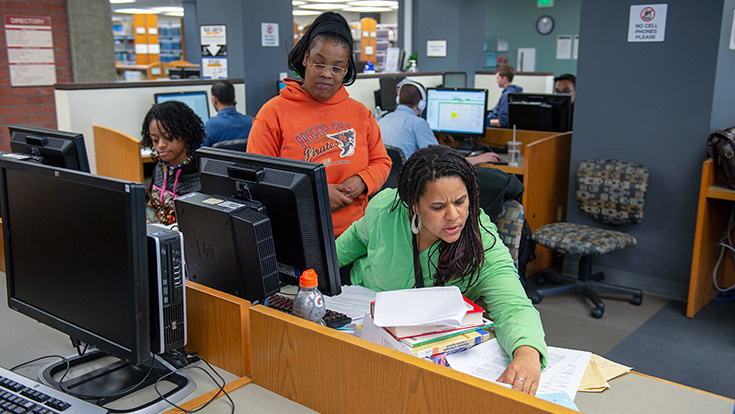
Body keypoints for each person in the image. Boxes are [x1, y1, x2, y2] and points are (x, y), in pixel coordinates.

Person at [336, 145, 547, 395]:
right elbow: (346, 247)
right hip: (358, 323)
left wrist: (527, 353)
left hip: (421, 352)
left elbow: (513, 306)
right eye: (437, 207)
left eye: (461, 201)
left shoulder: (481, 243)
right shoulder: (386, 210)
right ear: (413, 205)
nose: (454, 216)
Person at [247, 11, 391, 236]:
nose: (327, 74)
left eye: (337, 68)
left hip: (357, 236)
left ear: (346, 70)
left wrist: (363, 181)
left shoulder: (360, 113)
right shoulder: (272, 114)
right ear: (305, 58)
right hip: (300, 235)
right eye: (319, 64)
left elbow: (382, 161)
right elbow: (259, 181)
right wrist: (317, 195)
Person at [379, 78, 501, 165]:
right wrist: (476, 159)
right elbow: (439, 159)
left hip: (384, 189)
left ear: (398, 100)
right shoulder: (418, 123)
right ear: (422, 104)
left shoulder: (381, 121)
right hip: (408, 187)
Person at [141, 100, 205, 225]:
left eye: (168, 137)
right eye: (155, 139)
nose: (160, 145)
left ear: (186, 134)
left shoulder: (201, 175)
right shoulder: (161, 168)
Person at [203, 79, 254, 147]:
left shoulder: (211, 125)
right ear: (234, 98)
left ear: (214, 100)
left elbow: (199, 151)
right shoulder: (251, 122)